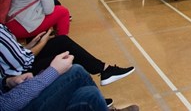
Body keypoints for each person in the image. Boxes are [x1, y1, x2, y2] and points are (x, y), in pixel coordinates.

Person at [0, 25, 135, 88]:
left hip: (19, 63)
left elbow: (15, 54)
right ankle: (93, 99)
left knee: (62, 41)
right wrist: (43, 41)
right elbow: (24, 61)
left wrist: (30, 45)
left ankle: (105, 69)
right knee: (67, 61)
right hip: (19, 74)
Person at [1, 54, 139, 111]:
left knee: (91, 95)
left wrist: (7, 81)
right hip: (12, 104)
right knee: (76, 71)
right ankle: (106, 71)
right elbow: (7, 105)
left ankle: (102, 106)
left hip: (9, 92)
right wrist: (53, 71)